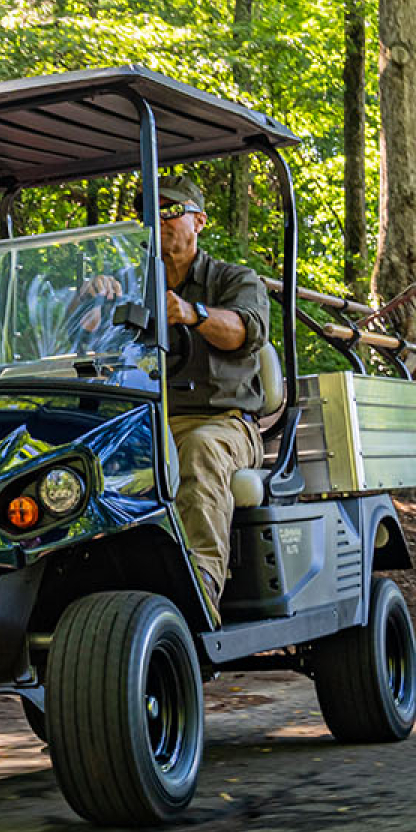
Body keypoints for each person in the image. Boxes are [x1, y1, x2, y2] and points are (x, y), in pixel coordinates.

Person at [82, 175, 269, 615]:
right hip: (146, 423)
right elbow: (90, 349)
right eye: (149, 213)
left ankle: (199, 594)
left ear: (199, 220)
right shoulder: (129, 285)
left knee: (200, 451)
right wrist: (89, 305)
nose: (158, 222)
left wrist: (193, 313)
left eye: (170, 211)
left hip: (222, 423)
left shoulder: (233, 279)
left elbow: (243, 332)